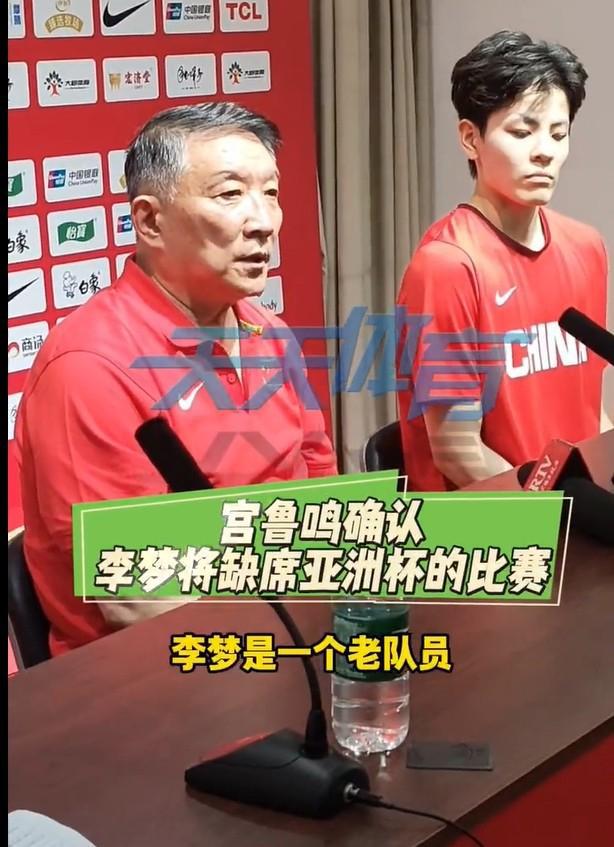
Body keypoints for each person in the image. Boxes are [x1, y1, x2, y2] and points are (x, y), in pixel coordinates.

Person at [15, 102, 337, 656]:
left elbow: (321, 494)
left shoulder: (270, 332)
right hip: (154, 671)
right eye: (230, 194)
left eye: (271, 192)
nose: (263, 220)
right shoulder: (89, 368)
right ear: (149, 221)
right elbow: (136, 599)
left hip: (295, 635)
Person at [396, 30, 612, 491]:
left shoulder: (587, 247)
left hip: (579, 509)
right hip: (495, 518)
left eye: (558, 134)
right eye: (521, 132)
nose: (545, 151)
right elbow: (458, 450)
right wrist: (555, 511)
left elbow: (591, 410)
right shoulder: (446, 266)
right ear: (470, 138)